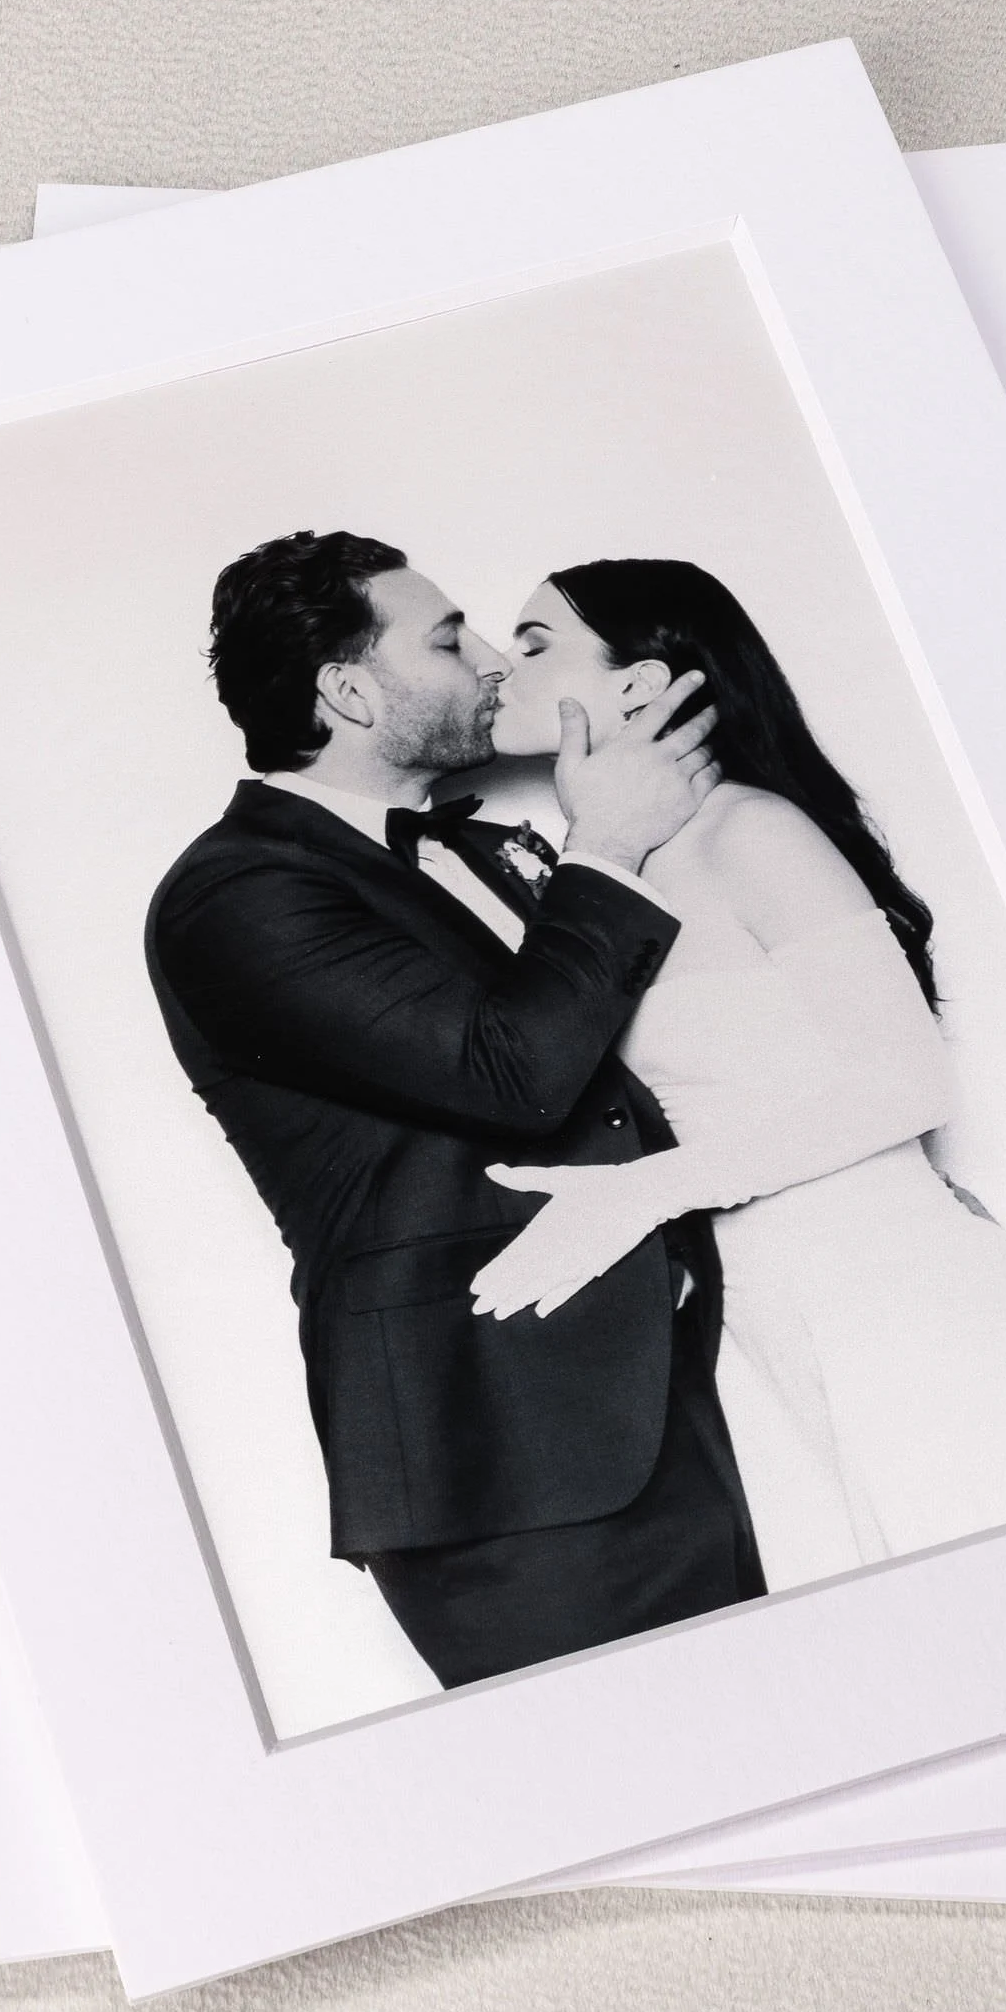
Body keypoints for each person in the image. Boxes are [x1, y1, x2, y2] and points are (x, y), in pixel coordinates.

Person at [144, 530, 766, 1691]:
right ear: (347, 690)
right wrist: (609, 844)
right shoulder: (235, 895)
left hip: (646, 1395)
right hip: (499, 1450)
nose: (488, 659)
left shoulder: (461, 847)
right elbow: (514, 1076)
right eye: (445, 637)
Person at [473, 558, 1006, 1591]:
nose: (498, 666)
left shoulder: (752, 831)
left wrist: (636, 1197)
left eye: (534, 644)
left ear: (637, 686)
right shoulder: (613, 868)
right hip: (769, 1332)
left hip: (904, 1311)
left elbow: (907, 1084)